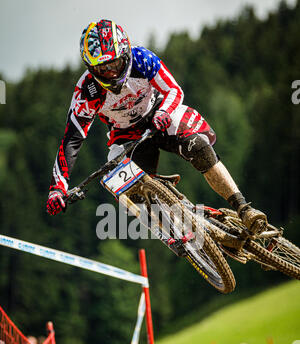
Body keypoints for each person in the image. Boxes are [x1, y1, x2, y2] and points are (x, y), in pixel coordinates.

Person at [46, 19, 267, 247]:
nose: (111, 74)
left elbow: (174, 89)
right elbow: (72, 140)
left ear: (126, 54)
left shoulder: (141, 59)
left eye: (115, 64)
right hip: (125, 134)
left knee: (198, 146)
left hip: (160, 112)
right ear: (90, 68)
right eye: (102, 69)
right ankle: (174, 234)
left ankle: (244, 208)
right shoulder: (86, 91)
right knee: (126, 193)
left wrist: (164, 111)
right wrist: (57, 189)